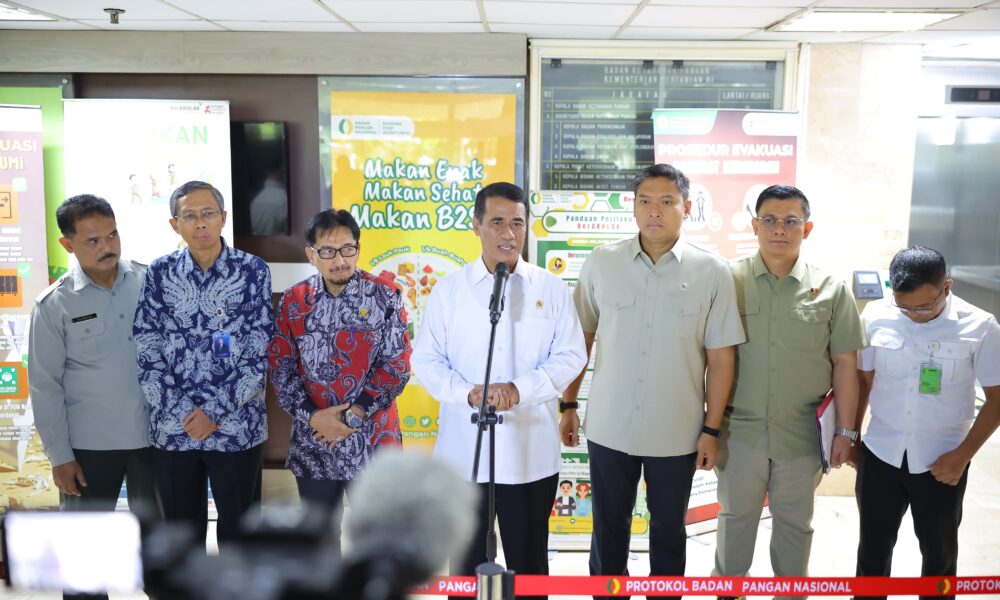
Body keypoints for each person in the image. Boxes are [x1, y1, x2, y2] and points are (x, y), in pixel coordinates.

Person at [561, 164, 744, 599]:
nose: (654, 211)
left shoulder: (712, 271)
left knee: (668, 530)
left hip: (677, 431)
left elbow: (721, 358)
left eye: (666, 201)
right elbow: (580, 340)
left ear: (687, 208)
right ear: (634, 206)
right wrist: (568, 405)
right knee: (608, 527)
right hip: (610, 426)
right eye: (645, 201)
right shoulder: (603, 262)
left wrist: (711, 429)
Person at [411, 182, 586, 592]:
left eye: (517, 223)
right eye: (497, 222)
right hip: (464, 455)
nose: (509, 233)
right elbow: (426, 360)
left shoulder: (550, 288)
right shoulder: (449, 290)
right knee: (465, 563)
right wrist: (468, 393)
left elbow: (571, 355)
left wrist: (520, 389)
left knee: (529, 564)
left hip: (529, 456)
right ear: (476, 225)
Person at [714, 185, 864, 600]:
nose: (779, 229)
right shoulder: (726, 281)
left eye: (790, 221)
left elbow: (846, 365)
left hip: (802, 435)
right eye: (770, 220)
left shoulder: (831, 288)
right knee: (734, 522)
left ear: (807, 228)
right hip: (739, 432)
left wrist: (846, 432)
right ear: (754, 226)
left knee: (795, 527)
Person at [29, 195, 160, 599]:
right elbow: (45, 385)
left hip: (155, 439)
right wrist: (59, 456)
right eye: (93, 241)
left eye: (112, 235)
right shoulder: (54, 304)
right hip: (90, 447)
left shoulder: (150, 281)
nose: (107, 247)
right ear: (67, 244)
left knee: (160, 547)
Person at [853, 246, 1000, 600]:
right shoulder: (876, 315)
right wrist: (852, 435)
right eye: (904, 307)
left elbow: (997, 398)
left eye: (924, 307)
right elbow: (862, 381)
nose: (914, 315)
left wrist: (963, 456)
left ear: (946, 287)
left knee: (939, 557)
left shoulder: (980, 326)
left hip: (942, 462)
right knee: (871, 553)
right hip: (881, 453)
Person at [133, 181, 273, 548]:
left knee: (241, 532)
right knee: (179, 535)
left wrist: (214, 411)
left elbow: (259, 349)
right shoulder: (159, 272)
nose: (200, 223)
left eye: (208, 213)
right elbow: (146, 346)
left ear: (223, 218)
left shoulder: (253, 270)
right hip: (174, 428)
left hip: (237, 426)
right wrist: (184, 411)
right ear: (174, 224)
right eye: (189, 215)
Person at [268, 208, 410, 552]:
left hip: (373, 440)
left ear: (358, 248)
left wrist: (353, 416)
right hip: (314, 443)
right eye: (328, 251)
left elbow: (396, 365)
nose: (340, 260)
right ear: (311, 254)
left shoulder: (385, 296)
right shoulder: (293, 302)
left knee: (378, 542)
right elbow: (281, 367)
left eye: (347, 249)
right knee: (319, 543)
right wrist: (313, 416)